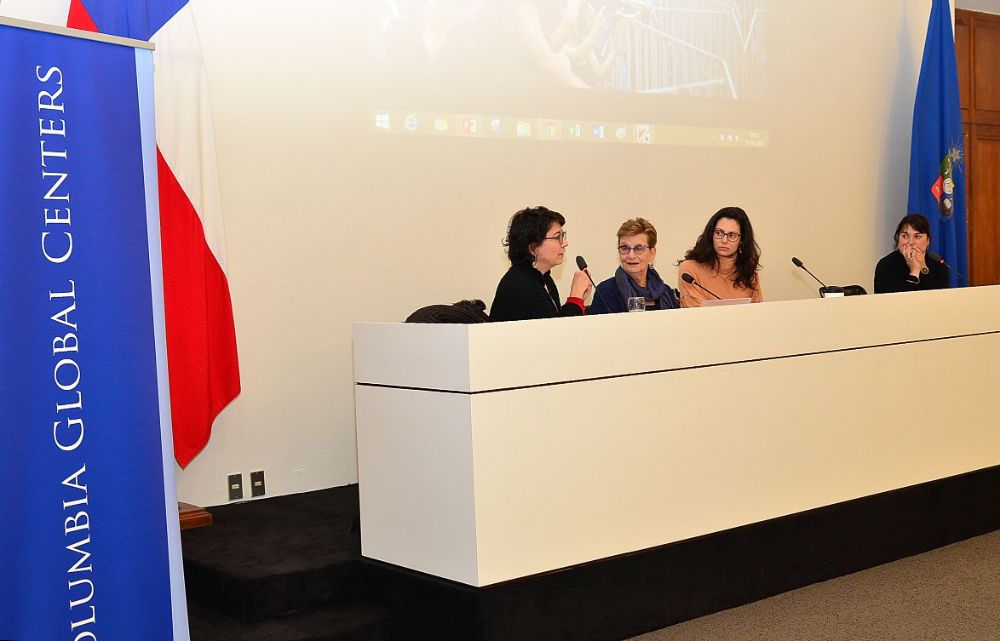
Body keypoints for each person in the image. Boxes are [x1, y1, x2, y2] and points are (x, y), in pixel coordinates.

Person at [490, 206, 592, 321]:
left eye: (563, 236)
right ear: (533, 247)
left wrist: (579, 300)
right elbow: (555, 333)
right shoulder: (520, 286)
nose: (565, 243)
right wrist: (575, 297)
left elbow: (552, 320)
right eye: (558, 237)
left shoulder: (544, 279)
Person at [677, 206, 763, 307]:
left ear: (742, 240)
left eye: (732, 235)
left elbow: (757, 312)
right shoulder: (690, 270)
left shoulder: (749, 274)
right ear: (711, 235)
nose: (724, 240)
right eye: (719, 233)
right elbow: (696, 314)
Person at [590, 217, 678, 313]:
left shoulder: (666, 292)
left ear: (652, 253)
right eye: (624, 248)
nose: (631, 256)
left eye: (639, 248)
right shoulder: (605, 292)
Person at [873, 214, 949, 293]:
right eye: (905, 236)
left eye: (917, 237)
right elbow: (897, 302)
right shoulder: (886, 265)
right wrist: (914, 272)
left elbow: (939, 300)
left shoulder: (938, 265)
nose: (910, 242)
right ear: (898, 238)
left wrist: (922, 266)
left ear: (928, 241)